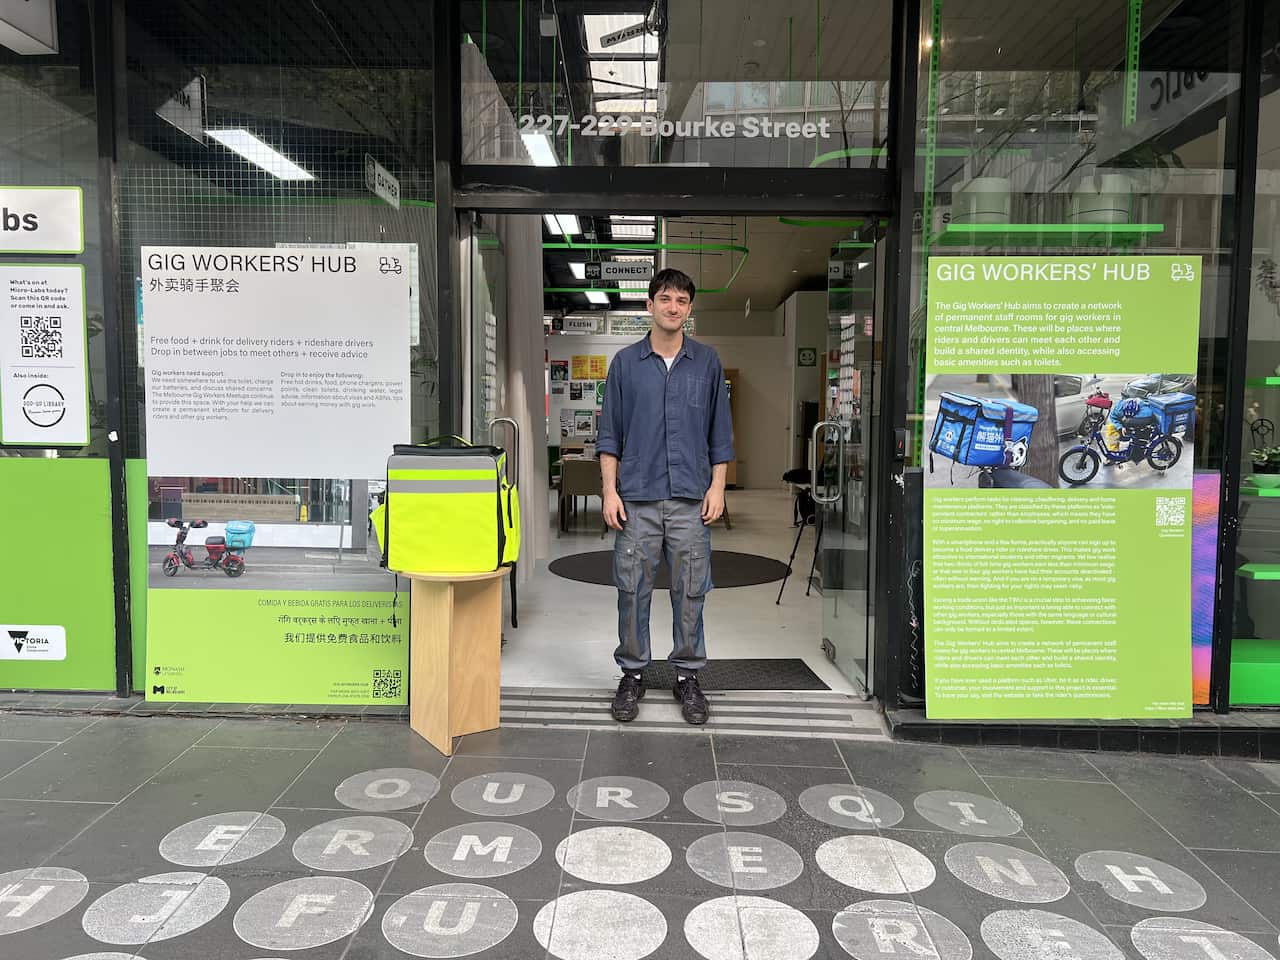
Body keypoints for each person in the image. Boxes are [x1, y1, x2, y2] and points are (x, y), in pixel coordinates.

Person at [596, 267, 735, 725]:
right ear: (650, 305)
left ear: (689, 310)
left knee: (691, 589)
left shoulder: (708, 363)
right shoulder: (624, 365)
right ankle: (633, 674)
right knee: (631, 589)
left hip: (690, 501)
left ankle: (687, 676)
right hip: (636, 499)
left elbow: (721, 433)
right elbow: (609, 434)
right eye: (666, 298)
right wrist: (608, 491)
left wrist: (717, 487)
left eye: (681, 300)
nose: (673, 307)